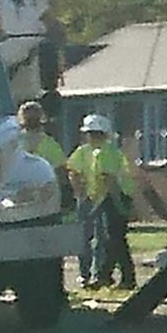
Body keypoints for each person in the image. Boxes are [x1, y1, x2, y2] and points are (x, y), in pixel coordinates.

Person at [67, 115, 138, 290]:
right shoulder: (88, 151)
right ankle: (106, 276)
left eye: (93, 134)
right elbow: (73, 170)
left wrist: (118, 206)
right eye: (89, 134)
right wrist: (82, 194)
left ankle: (117, 278)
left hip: (115, 197)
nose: (90, 137)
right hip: (104, 198)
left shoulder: (107, 151)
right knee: (112, 240)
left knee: (114, 239)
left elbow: (110, 181)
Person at [17, 101, 70, 213]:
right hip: (40, 198)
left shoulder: (14, 143)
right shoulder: (49, 143)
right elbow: (61, 172)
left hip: (28, 196)